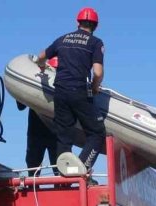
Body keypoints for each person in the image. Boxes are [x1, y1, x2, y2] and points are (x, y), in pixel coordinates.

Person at [36, 7, 106, 172]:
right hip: (79, 90)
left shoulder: (63, 39)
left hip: (60, 91)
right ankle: (81, 169)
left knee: (64, 137)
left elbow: (41, 57)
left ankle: (65, 175)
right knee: (96, 133)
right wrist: (95, 88)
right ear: (95, 26)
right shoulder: (95, 43)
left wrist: (41, 67)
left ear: (77, 22)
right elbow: (98, 72)